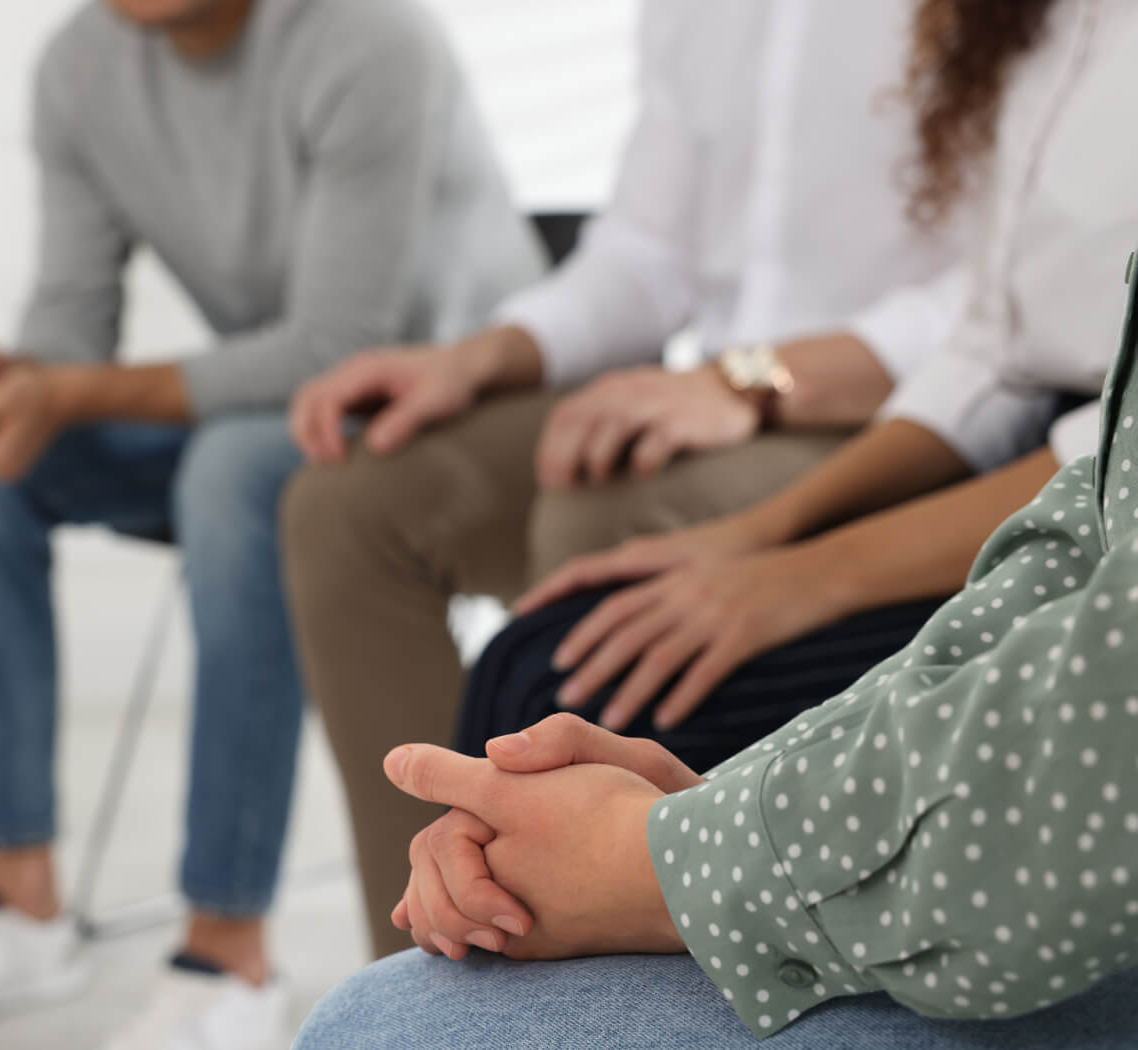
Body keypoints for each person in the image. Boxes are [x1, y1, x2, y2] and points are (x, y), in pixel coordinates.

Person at [0, 1, 541, 1047]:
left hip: (448, 407)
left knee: (231, 473)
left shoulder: (370, 38)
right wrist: (11, 387)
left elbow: (339, 343)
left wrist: (63, 392)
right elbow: (72, 322)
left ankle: (226, 953)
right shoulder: (79, 67)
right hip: (280, 404)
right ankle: (11, 896)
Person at [282, 0, 967, 956]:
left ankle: (628, 954)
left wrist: (756, 379)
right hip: (712, 390)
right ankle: (424, 966)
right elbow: (643, 257)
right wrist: (481, 358)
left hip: (906, 412)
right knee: (351, 504)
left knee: (606, 514)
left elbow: (1024, 295)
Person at [450, 0, 1121, 794]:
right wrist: (760, 536)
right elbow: (992, 349)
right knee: (531, 655)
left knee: (571, 687)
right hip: (1024, 451)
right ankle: (451, 916)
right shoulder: (1043, 27)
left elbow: (1110, 456)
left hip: (1106, 533)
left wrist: (804, 575)